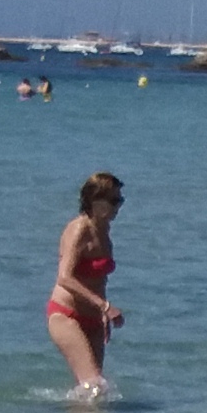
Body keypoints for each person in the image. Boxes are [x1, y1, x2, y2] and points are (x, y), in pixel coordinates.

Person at [46, 170, 124, 398]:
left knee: (93, 391)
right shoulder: (79, 229)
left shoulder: (104, 230)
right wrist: (104, 306)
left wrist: (101, 314)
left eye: (120, 200)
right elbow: (65, 277)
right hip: (66, 315)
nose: (118, 206)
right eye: (113, 200)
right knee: (94, 386)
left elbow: (99, 279)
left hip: (93, 319)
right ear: (95, 200)